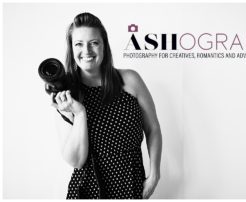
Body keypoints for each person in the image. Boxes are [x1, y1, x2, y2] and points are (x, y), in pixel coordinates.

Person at [50, 12, 162, 199]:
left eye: (93, 42)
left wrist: (155, 175)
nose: (86, 50)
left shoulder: (130, 80)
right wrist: (79, 114)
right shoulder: (67, 95)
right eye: (78, 44)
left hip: (131, 184)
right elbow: (76, 161)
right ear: (71, 48)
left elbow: (153, 128)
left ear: (104, 46)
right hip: (88, 190)